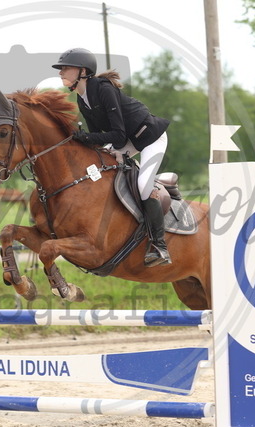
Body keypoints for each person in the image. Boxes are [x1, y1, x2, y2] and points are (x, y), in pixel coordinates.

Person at [52, 47, 172, 267]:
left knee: (144, 185)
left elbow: (117, 134)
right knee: (101, 168)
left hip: (151, 137)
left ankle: (159, 245)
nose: (61, 73)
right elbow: (98, 139)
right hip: (128, 140)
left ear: (82, 71)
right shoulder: (82, 99)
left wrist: (86, 137)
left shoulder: (104, 89)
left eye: (65, 68)